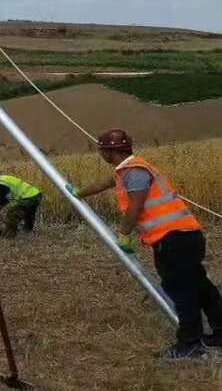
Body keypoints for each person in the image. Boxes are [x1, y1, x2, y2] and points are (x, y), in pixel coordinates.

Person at [68, 128, 222, 361]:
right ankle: (220, 334)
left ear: (111, 151)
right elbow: (105, 182)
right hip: (186, 235)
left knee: (182, 291)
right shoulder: (128, 169)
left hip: (172, 238)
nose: (101, 154)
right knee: (199, 285)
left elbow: (135, 207)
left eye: (102, 150)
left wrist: (124, 234)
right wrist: (80, 193)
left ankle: (190, 343)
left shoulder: (135, 172)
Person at [0, 167, 42, 237]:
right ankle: (27, 231)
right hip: (36, 195)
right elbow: (6, 198)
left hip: (29, 197)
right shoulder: (5, 178)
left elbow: (1, 200)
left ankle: (9, 234)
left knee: (12, 214)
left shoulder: (2, 184)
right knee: (29, 214)